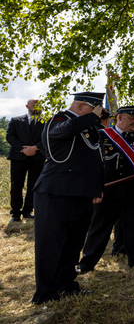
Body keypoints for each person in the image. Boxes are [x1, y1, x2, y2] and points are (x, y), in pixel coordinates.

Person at [31, 91, 106, 305]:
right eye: (95, 110)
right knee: (50, 243)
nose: (98, 115)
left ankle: (67, 285)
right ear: (82, 106)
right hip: (56, 191)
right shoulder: (60, 119)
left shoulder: (90, 128)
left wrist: (97, 188)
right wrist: (92, 117)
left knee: (74, 243)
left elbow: (96, 160)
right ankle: (46, 293)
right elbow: (62, 132)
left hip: (81, 193)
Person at [78, 105, 134, 273]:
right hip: (108, 192)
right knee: (99, 229)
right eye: (131, 119)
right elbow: (90, 163)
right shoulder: (101, 136)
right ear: (119, 118)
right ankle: (86, 264)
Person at [6, 99, 45, 222]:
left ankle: (28, 211)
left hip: (37, 157)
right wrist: (24, 149)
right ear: (27, 106)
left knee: (33, 185)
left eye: (39, 105)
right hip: (18, 157)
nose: (37, 107)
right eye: (34, 105)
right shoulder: (16, 120)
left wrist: (35, 148)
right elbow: (10, 136)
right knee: (16, 185)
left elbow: (47, 137)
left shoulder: (45, 121)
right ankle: (16, 213)